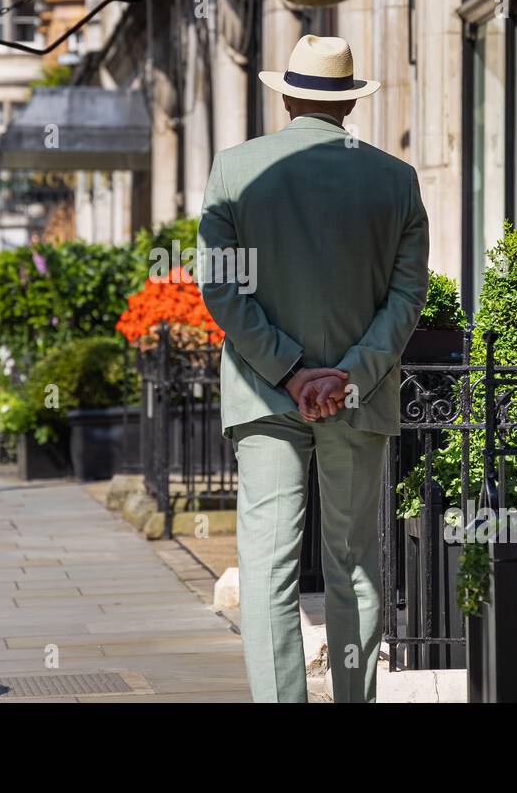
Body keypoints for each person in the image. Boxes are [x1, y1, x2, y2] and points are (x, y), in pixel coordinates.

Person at [197, 34, 430, 703]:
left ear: (288, 94)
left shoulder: (237, 169)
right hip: (358, 397)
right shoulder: (394, 178)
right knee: (353, 564)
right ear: (349, 101)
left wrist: (290, 369)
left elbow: (220, 287)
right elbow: (406, 297)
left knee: (268, 569)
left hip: (263, 394)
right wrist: (347, 375)